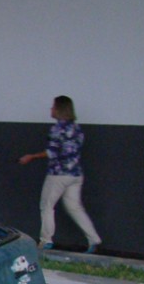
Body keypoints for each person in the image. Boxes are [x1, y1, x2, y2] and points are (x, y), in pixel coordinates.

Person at [18, 96, 101, 253]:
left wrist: (31, 157)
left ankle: (46, 241)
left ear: (59, 109)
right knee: (74, 207)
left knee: (47, 206)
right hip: (75, 174)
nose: (51, 109)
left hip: (58, 174)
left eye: (53, 107)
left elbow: (52, 152)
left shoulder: (57, 129)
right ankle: (94, 239)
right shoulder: (76, 128)